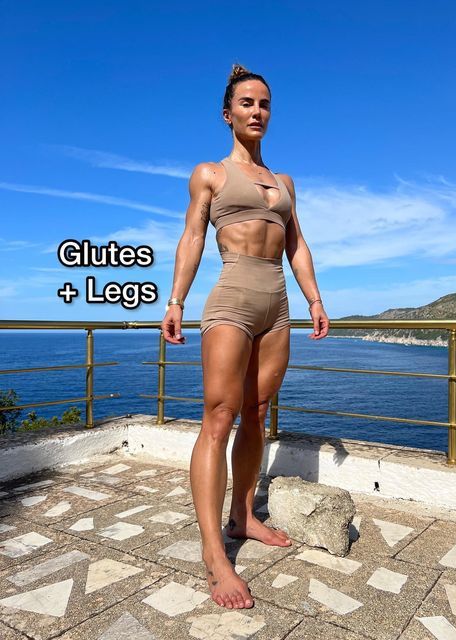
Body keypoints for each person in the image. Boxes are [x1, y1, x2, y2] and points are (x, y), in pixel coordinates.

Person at [161, 63, 329, 610]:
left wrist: (314, 299)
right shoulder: (209, 173)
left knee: (256, 411)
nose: (257, 112)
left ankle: (242, 517)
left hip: (277, 305)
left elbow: (296, 245)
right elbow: (190, 237)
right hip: (231, 298)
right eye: (247, 104)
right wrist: (176, 300)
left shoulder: (284, 184)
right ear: (227, 113)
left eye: (265, 105)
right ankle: (214, 553)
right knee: (218, 415)